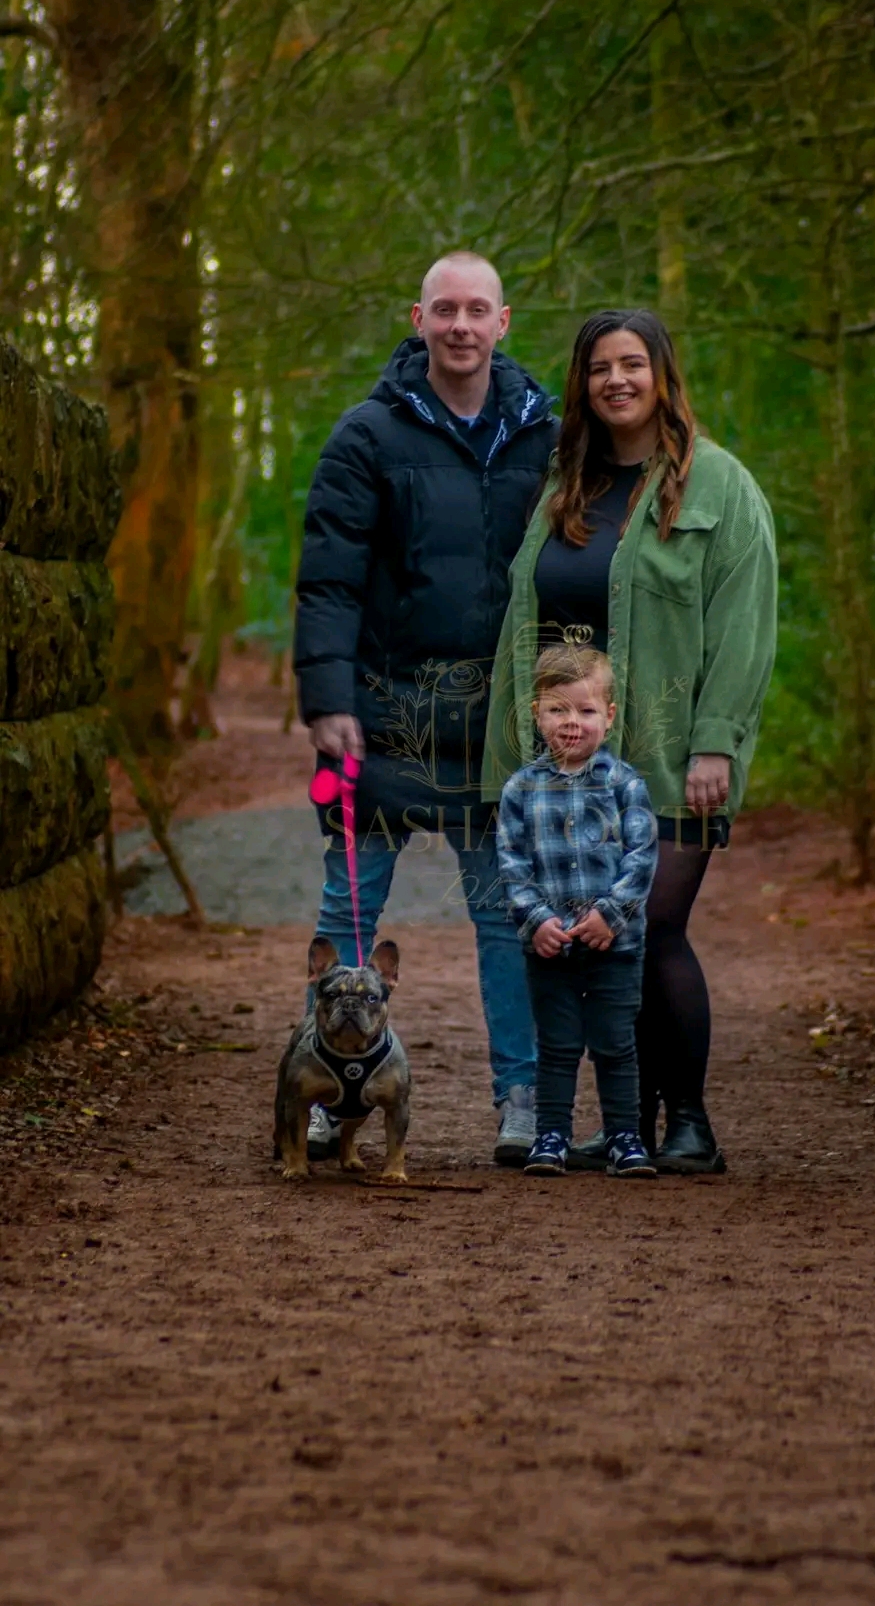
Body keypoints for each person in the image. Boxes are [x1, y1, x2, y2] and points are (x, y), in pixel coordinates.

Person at [484, 308, 778, 1173]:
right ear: (581, 385)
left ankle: (690, 1124)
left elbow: (745, 629)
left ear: (661, 375)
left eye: (632, 363)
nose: (616, 380)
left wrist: (716, 742)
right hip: (569, 767)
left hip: (672, 753)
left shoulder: (719, 485)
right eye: (598, 367)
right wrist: (514, 756)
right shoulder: (563, 485)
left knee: (649, 923)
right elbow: (520, 626)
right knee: (607, 944)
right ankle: (627, 1129)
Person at [294, 252, 558, 1165]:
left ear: (502, 322)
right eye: (444, 309)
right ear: (418, 319)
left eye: (476, 310)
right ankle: (323, 1092)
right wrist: (327, 700)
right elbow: (328, 579)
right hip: (379, 715)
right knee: (349, 911)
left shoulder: (546, 436)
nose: (460, 325)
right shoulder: (365, 434)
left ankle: (521, 1098)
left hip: (497, 725)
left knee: (504, 915)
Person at [496, 644, 659, 1178]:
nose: (572, 723)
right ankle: (551, 1136)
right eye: (558, 710)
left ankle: (624, 1137)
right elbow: (512, 863)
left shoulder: (625, 784)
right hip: (551, 947)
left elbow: (641, 857)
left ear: (608, 717)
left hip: (616, 944)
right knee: (558, 1045)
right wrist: (536, 919)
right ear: (537, 714)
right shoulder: (521, 789)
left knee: (615, 1044)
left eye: (586, 711)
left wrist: (612, 913)